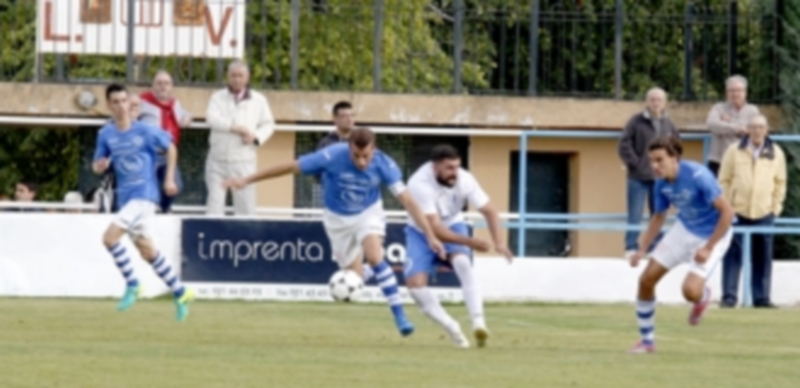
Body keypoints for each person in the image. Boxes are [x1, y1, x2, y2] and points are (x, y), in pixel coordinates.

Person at [224, 128, 445, 336]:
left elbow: (408, 200)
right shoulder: (330, 156)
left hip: (369, 213)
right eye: (356, 155)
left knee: (376, 256)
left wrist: (430, 235)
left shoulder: (385, 164)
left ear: (374, 150)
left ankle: (400, 316)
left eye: (366, 156)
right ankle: (371, 272)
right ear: (348, 148)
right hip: (336, 221)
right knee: (355, 277)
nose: (361, 161)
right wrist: (247, 179)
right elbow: (290, 167)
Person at [92, 83, 194, 321]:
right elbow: (97, 163)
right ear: (109, 106)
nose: (120, 106)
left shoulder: (145, 131)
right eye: (115, 102)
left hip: (145, 196)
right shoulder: (105, 134)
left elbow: (170, 147)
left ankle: (133, 284)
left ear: (130, 103)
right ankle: (181, 292)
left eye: (123, 101)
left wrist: (168, 178)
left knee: (109, 238)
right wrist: (99, 166)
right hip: (126, 198)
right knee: (148, 252)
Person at [628, 136, 734, 354]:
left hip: (712, 234)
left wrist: (708, 247)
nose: (655, 166)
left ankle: (702, 296)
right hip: (683, 230)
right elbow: (658, 216)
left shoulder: (698, 176)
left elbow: (728, 212)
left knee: (689, 292)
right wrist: (642, 249)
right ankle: (647, 342)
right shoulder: (660, 184)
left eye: (660, 160)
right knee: (646, 280)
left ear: (674, 158)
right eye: (652, 161)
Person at [404, 144, 513, 348]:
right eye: (449, 168)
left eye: (457, 166)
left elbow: (490, 211)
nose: (455, 173)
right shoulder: (419, 183)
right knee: (415, 287)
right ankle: (452, 328)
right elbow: (434, 228)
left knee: (463, 263)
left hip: (453, 223)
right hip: (420, 231)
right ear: (435, 167)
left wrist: (499, 243)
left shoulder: (465, 179)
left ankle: (479, 323)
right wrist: (470, 242)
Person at [718, 114, 786, 308]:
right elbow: (724, 180)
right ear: (747, 129)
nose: (757, 131)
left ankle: (761, 298)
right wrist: (728, 206)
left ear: (766, 130)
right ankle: (729, 297)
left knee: (763, 257)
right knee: (732, 256)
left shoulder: (776, 152)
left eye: (761, 127)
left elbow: (780, 182)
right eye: (753, 127)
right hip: (737, 212)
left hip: (764, 213)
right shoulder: (733, 151)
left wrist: (775, 208)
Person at [205, 60, 275, 216]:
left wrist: (255, 137)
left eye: (240, 76)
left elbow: (268, 124)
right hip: (217, 161)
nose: (237, 79)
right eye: (233, 75)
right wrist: (234, 127)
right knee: (214, 208)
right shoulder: (217, 97)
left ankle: (247, 239)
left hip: (244, 161)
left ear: (247, 77)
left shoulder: (259, 100)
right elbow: (211, 119)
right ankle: (212, 239)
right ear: (228, 77)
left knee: (246, 208)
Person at [618, 87, 678, 258]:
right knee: (634, 214)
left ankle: (655, 247)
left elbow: (676, 147)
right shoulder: (635, 121)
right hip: (637, 177)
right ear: (647, 102)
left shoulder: (669, 124)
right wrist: (635, 163)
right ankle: (631, 247)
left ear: (664, 102)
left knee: (658, 213)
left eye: (659, 100)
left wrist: (670, 168)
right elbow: (623, 144)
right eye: (652, 99)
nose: (656, 103)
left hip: (660, 179)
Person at [140, 70, 192, 213]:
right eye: (159, 83)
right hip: (147, 154)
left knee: (175, 186)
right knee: (146, 188)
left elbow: (185, 114)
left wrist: (187, 118)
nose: (163, 87)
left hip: (168, 154)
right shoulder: (142, 102)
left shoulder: (174, 103)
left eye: (166, 83)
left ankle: (163, 209)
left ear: (172, 87)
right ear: (153, 86)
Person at [706, 75, 761, 177]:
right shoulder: (718, 108)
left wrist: (726, 125)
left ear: (745, 92)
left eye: (739, 90)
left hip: (743, 161)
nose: (735, 94)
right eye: (732, 90)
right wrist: (738, 128)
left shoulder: (753, 111)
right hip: (719, 160)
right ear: (727, 92)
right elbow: (712, 124)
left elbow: (755, 131)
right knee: (717, 192)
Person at [310, 101, 357, 207]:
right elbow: (316, 170)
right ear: (335, 119)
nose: (349, 119)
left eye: (352, 115)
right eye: (344, 116)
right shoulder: (326, 143)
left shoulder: (361, 142)